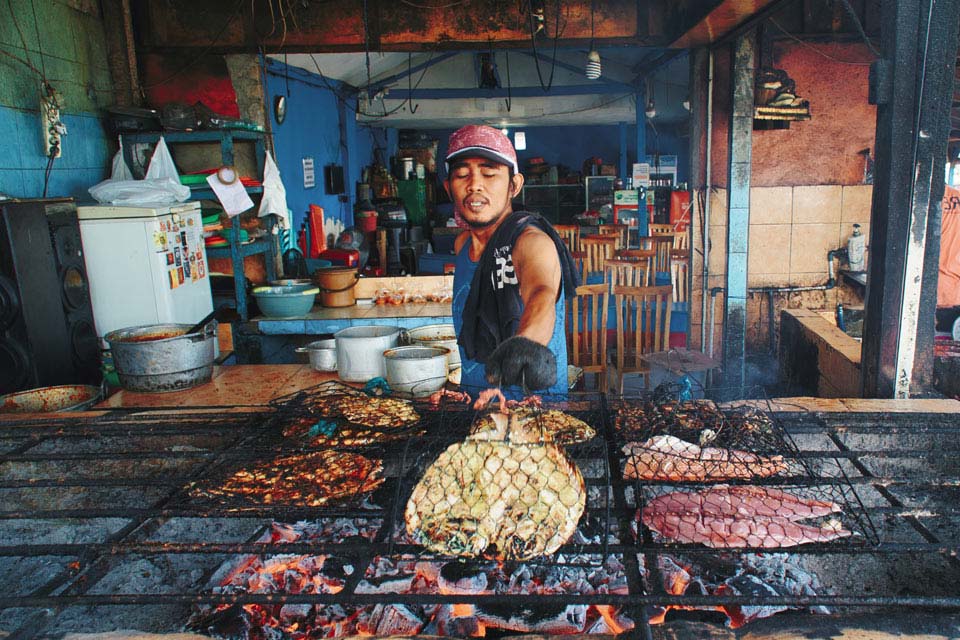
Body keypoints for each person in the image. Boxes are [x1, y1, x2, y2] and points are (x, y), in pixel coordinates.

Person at [444, 125, 580, 397]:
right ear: (449, 188)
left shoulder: (530, 241)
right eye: (462, 174)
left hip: (536, 412)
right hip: (479, 405)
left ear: (514, 185)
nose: (474, 185)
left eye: (489, 173)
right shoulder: (462, 247)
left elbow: (541, 293)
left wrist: (524, 345)